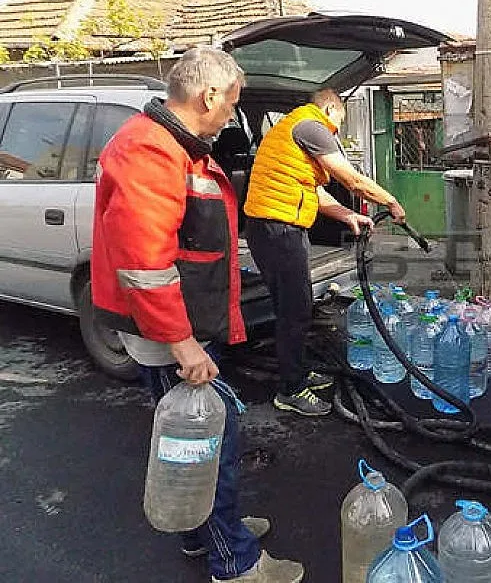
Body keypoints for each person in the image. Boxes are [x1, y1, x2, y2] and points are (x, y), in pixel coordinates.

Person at [91, 46, 304, 582]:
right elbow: (144, 263)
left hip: (175, 324)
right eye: (232, 103)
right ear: (208, 95)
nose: (232, 114)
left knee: (190, 437)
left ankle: (201, 528)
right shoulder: (150, 150)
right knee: (213, 433)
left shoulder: (175, 148)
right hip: (165, 330)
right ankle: (234, 562)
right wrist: (182, 343)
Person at [243, 88, 406, 416]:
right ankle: (290, 390)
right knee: (295, 310)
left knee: (295, 307)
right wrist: (389, 201)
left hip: (281, 227)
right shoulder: (311, 126)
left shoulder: (296, 129)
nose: (338, 132)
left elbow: (312, 189)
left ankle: (299, 372)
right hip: (277, 229)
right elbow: (351, 180)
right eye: (340, 123)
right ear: (330, 108)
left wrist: (347, 214)